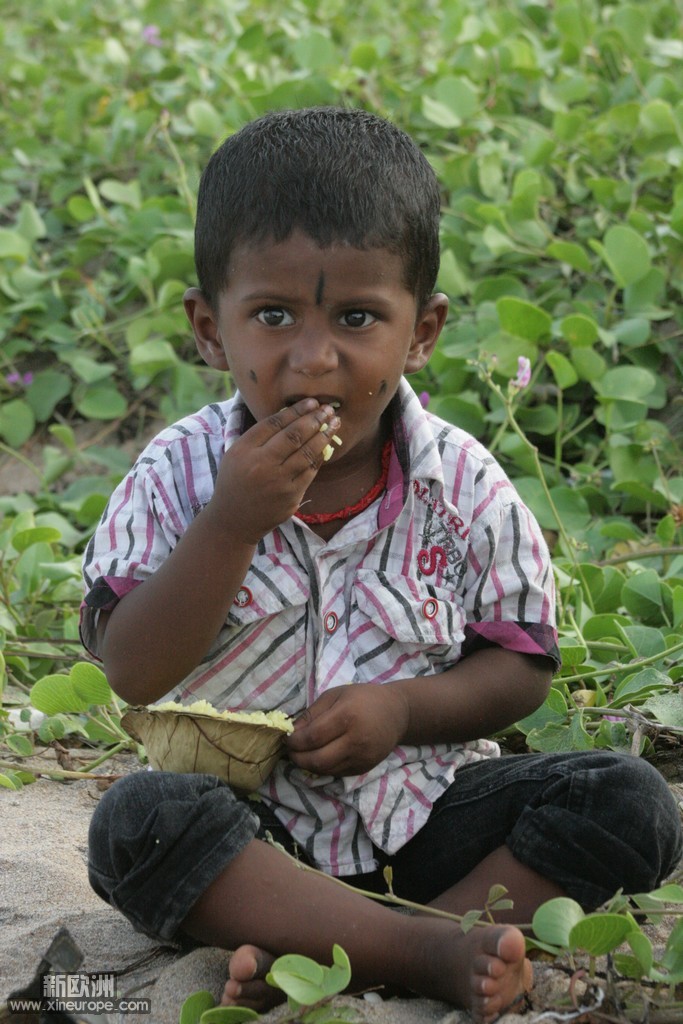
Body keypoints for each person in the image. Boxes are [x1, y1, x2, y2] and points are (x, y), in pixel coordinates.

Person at [81, 107, 681, 1023]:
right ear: (210, 329)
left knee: (626, 799)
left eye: (357, 317)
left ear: (423, 330)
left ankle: (355, 955)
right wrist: (231, 523)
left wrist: (403, 710)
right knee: (140, 824)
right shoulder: (177, 476)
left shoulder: (464, 484)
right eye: (272, 315)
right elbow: (130, 665)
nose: (315, 359)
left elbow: (520, 666)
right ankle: (424, 953)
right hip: (256, 835)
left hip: (432, 817)